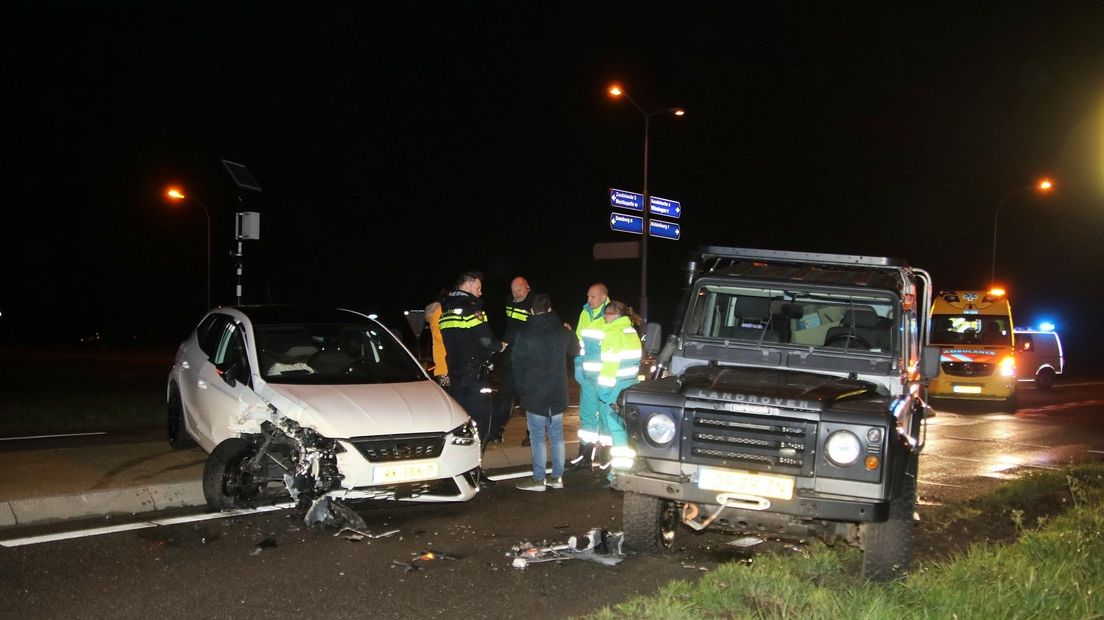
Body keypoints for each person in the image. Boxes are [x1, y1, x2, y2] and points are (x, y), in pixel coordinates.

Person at [511, 293, 576, 492]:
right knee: (557, 435)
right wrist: (570, 332)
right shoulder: (562, 332)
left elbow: (516, 366)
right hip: (557, 392)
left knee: (537, 437)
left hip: (534, 394)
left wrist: (521, 392)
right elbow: (576, 349)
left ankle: (539, 479)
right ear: (549, 309)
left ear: (531, 310)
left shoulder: (524, 334)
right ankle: (557, 477)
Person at [438, 271, 507, 458]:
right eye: (478, 288)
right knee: (481, 422)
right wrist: (500, 346)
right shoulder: (472, 310)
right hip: (475, 377)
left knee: (461, 424)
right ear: (467, 286)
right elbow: (486, 341)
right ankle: (476, 468)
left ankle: (459, 463)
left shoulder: (445, 313)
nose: (480, 292)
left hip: (455, 376)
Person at [596, 300, 643, 476]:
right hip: (631, 383)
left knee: (616, 428)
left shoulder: (613, 333)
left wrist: (603, 391)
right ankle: (627, 468)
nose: (604, 318)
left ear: (615, 315)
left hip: (615, 385)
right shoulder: (631, 331)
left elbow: (609, 365)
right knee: (627, 428)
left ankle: (618, 473)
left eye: (606, 314)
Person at [569, 283, 609, 470]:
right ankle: (584, 456)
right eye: (588, 296)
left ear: (603, 297)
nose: (588, 300)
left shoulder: (611, 315)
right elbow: (579, 342)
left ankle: (606, 458)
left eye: (592, 297)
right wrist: (578, 365)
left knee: (606, 417)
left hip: (605, 378)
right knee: (587, 416)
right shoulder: (585, 313)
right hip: (588, 377)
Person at [489, 276, 532, 445]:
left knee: (528, 399)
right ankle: (496, 432)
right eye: (513, 291)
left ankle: (531, 435)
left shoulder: (534, 303)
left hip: (528, 359)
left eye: (519, 290)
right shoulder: (509, 301)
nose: (516, 294)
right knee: (505, 396)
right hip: (510, 357)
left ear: (528, 287)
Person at [424, 289, 449, 390]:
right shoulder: (438, 311)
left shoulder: (442, 310)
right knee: (449, 396)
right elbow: (438, 335)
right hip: (444, 367)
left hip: (446, 366)